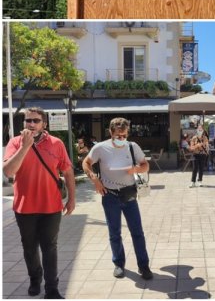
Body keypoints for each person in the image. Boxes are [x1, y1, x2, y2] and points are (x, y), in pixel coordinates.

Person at [3, 107, 75, 299]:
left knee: (50, 247)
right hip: (24, 207)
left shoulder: (56, 143)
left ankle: (52, 288)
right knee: (29, 247)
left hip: (51, 207)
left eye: (36, 121)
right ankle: (35, 279)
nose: (31, 124)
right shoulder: (15, 142)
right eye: (28, 120)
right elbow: (8, 172)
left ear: (44, 124)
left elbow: (67, 172)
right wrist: (25, 146)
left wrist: (72, 199)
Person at [83, 118, 153, 281]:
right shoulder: (100, 147)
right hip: (110, 195)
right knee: (114, 232)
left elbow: (145, 165)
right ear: (111, 133)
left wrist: (136, 169)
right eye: (118, 136)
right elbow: (86, 162)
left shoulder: (132, 146)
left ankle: (144, 266)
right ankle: (118, 264)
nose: (121, 139)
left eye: (124, 135)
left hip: (129, 194)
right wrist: (95, 179)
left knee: (137, 232)